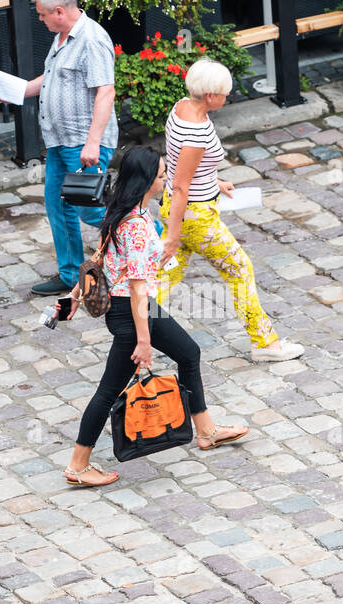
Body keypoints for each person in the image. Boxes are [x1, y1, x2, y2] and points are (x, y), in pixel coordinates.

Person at [63, 146, 248, 488]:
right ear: (147, 181)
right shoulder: (133, 224)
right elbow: (136, 291)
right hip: (132, 313)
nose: (166, 180)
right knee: (108, 391)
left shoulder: (126, 210)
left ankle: (206, 431)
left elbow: (100, 256)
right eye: (162, 176)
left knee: (189, 353)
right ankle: (78, 465)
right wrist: (144, 341)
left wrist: (74, 296)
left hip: (135, 309)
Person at [156, 59, 303, 362]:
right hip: (195, 217)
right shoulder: (197, 131)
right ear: (210, 96)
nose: (228, 97)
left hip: (178, 207)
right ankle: (265, 342)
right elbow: (184, 183)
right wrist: (172, 235)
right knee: (240, 270)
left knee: (166, 276)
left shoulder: (181, 107)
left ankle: (132, 327)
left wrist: (215, 181)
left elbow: (183, 168)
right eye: (225, 93)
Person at [23, 0, 118, 296]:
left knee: (90, 211)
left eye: (42, 15)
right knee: (58, 205)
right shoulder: (61, 37)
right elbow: (54, 77)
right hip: (59, 140)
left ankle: (154, 240)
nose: (40, 20)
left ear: (60, 12)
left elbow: (106, 91)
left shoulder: (91, 39)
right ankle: (70, 275)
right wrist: (22, 90)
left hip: (82, 143)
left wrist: (92, 142)